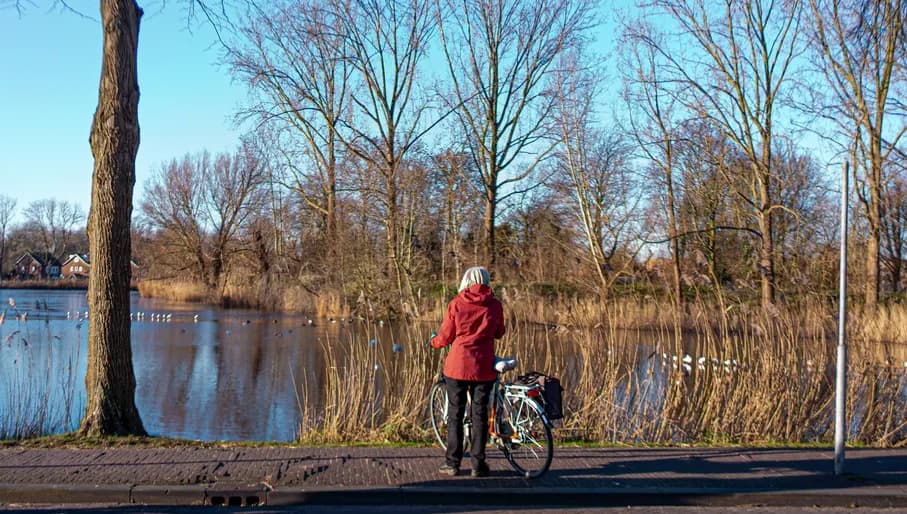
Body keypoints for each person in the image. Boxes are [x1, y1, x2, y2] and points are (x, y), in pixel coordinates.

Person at [430, 266, 505, 477]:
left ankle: (452, 463)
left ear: (466, 281)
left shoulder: (456, 303)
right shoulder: (495, 305)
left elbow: (445, 336)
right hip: (483, 367)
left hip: (458, 366)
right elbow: (499, 332)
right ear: (486, 280)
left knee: (456, 414)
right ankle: (478, 465)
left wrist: (433, 343)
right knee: (480, 414)